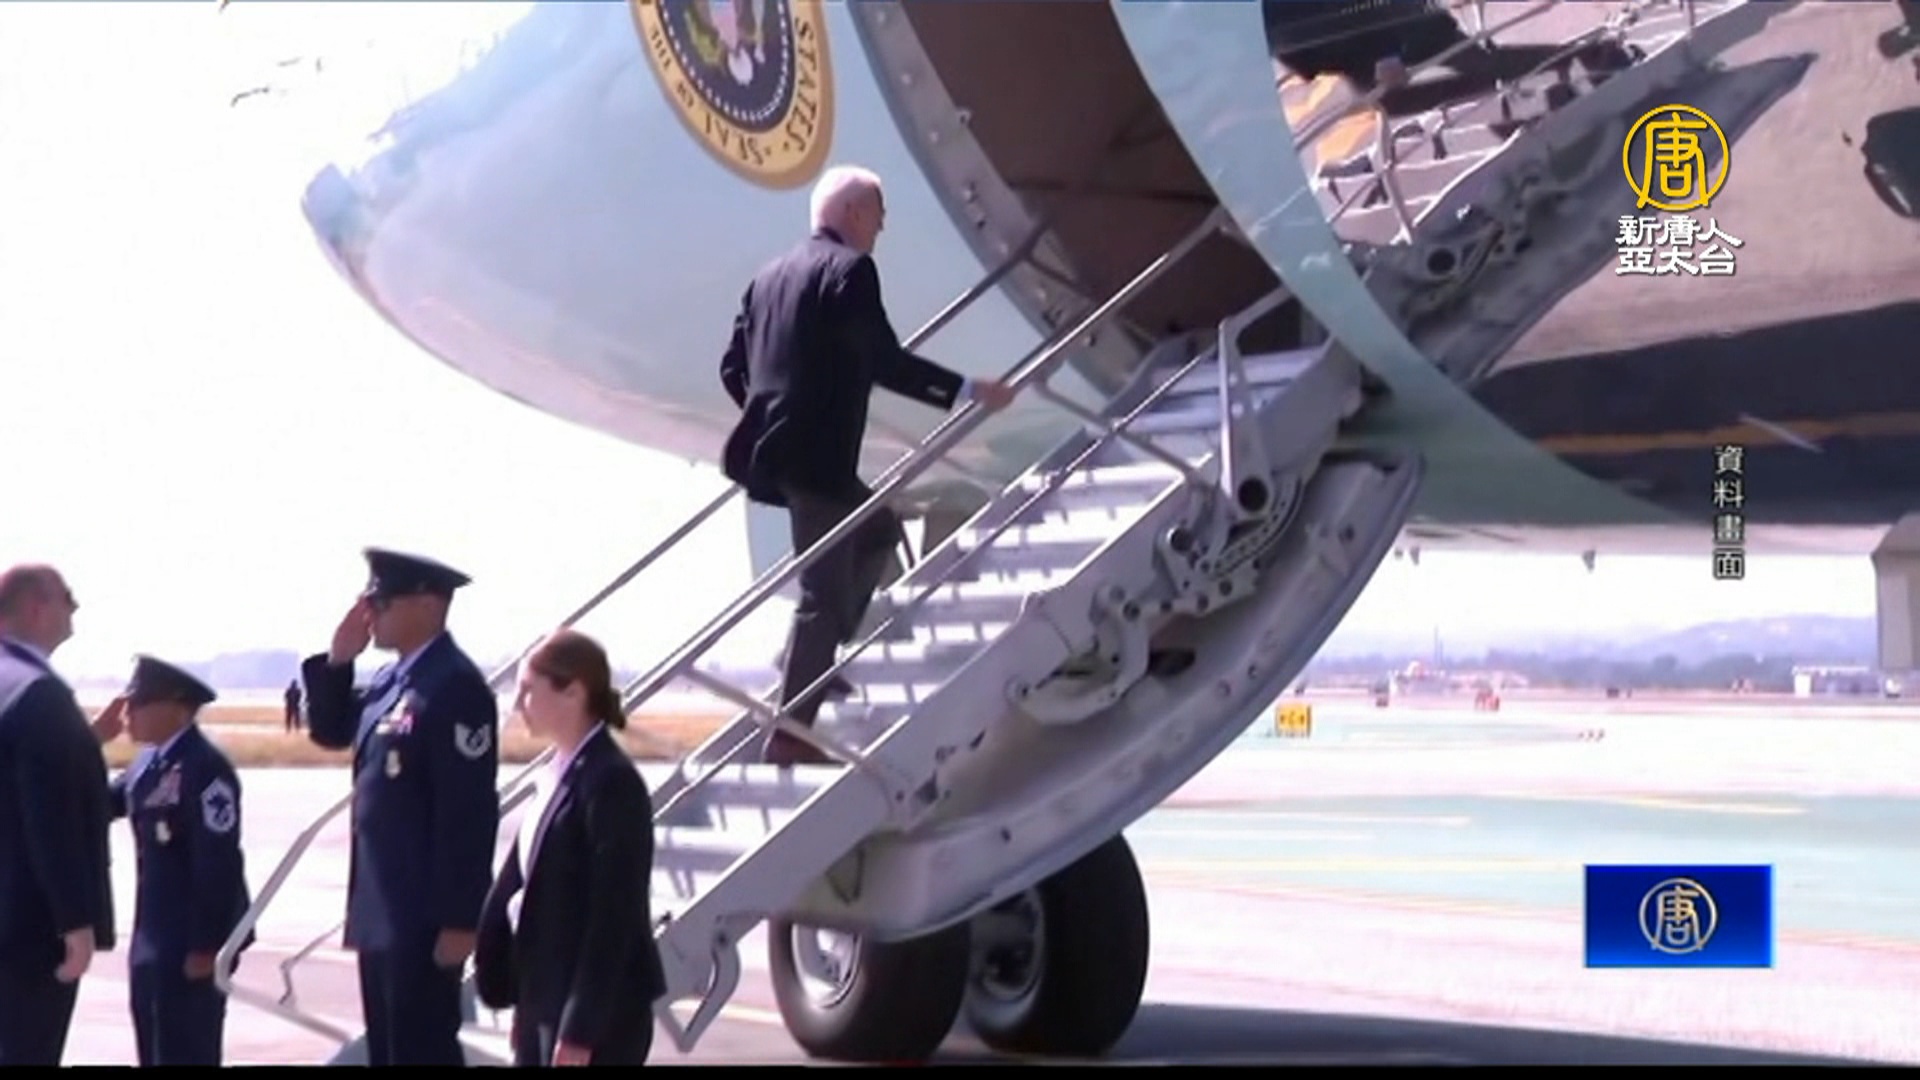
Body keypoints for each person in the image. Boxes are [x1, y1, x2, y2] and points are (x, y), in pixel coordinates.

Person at [719, 164, 1016, 766]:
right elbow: (882, 359)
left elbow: (732, 368)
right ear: (852, 213)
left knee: (879, 529)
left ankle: (813, 661)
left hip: (777, 454)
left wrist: (770, 410)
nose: (880, 230)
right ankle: (791, 732)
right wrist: (966, 390)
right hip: (818, 457)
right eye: (878, 216)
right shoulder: (850, 270)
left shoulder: (769, 276)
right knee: (822, 594)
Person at [301, 547, 501, 1066]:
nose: (371, 612)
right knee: (389, 1053)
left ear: (428, 604)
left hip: (424, 918)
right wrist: (339, 661)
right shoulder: (393, 682)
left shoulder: (454, 687)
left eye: (382, 602)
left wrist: (461, 920)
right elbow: (331, 729)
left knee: (422, 1052)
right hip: (381, 911)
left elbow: (468, 812)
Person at [474, 629, 665, 1067]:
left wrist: (581, 1027)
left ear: (573, 692)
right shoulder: (558, 774)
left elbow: (614, 916)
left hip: (598, 1017)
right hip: (546, 1001)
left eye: (528, 690)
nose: (518, 704)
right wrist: (526, 1001)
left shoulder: (611, 783)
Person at [101, 656, 254, 1067]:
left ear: (178, 708)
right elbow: (93, 803)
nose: (128, 712)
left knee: (187, 1052)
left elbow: (217, 861)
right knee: (154, 1051)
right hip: (151, 940)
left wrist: (207, 944)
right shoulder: (145, 765)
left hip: (189, 944)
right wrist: (87, 743)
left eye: (140, 703)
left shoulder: (204, 767)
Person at [0, 563, 116, 1066]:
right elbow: (50, 818)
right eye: (67, 597)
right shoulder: (38, 692)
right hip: (27, 930)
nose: (75, 608)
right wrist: (75, 921)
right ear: (36, 607)